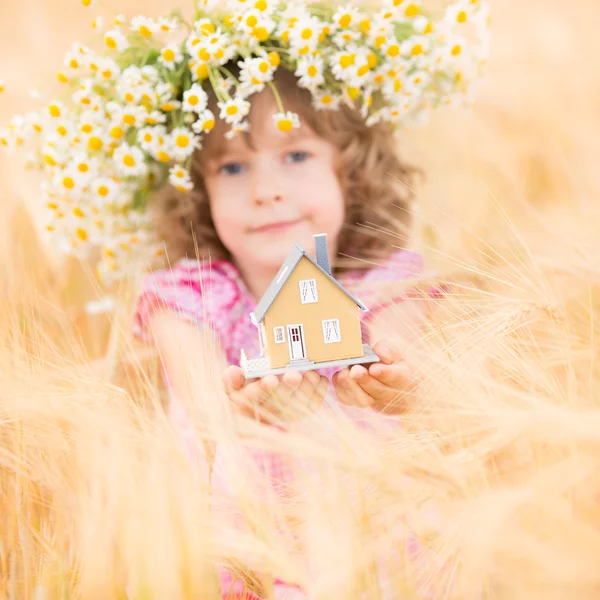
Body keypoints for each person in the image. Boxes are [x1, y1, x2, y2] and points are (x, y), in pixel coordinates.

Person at [2, 2, 490, 596]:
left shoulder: (387, 284)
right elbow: (204, 399)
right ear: (198, 194)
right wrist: (249, 410)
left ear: (350, 174)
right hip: (239, 558)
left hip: (375, 553)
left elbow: (407, 359)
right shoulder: (188, 299)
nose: (265, 190)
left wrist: (393, 385)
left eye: (296, 156)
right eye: (232, 168)